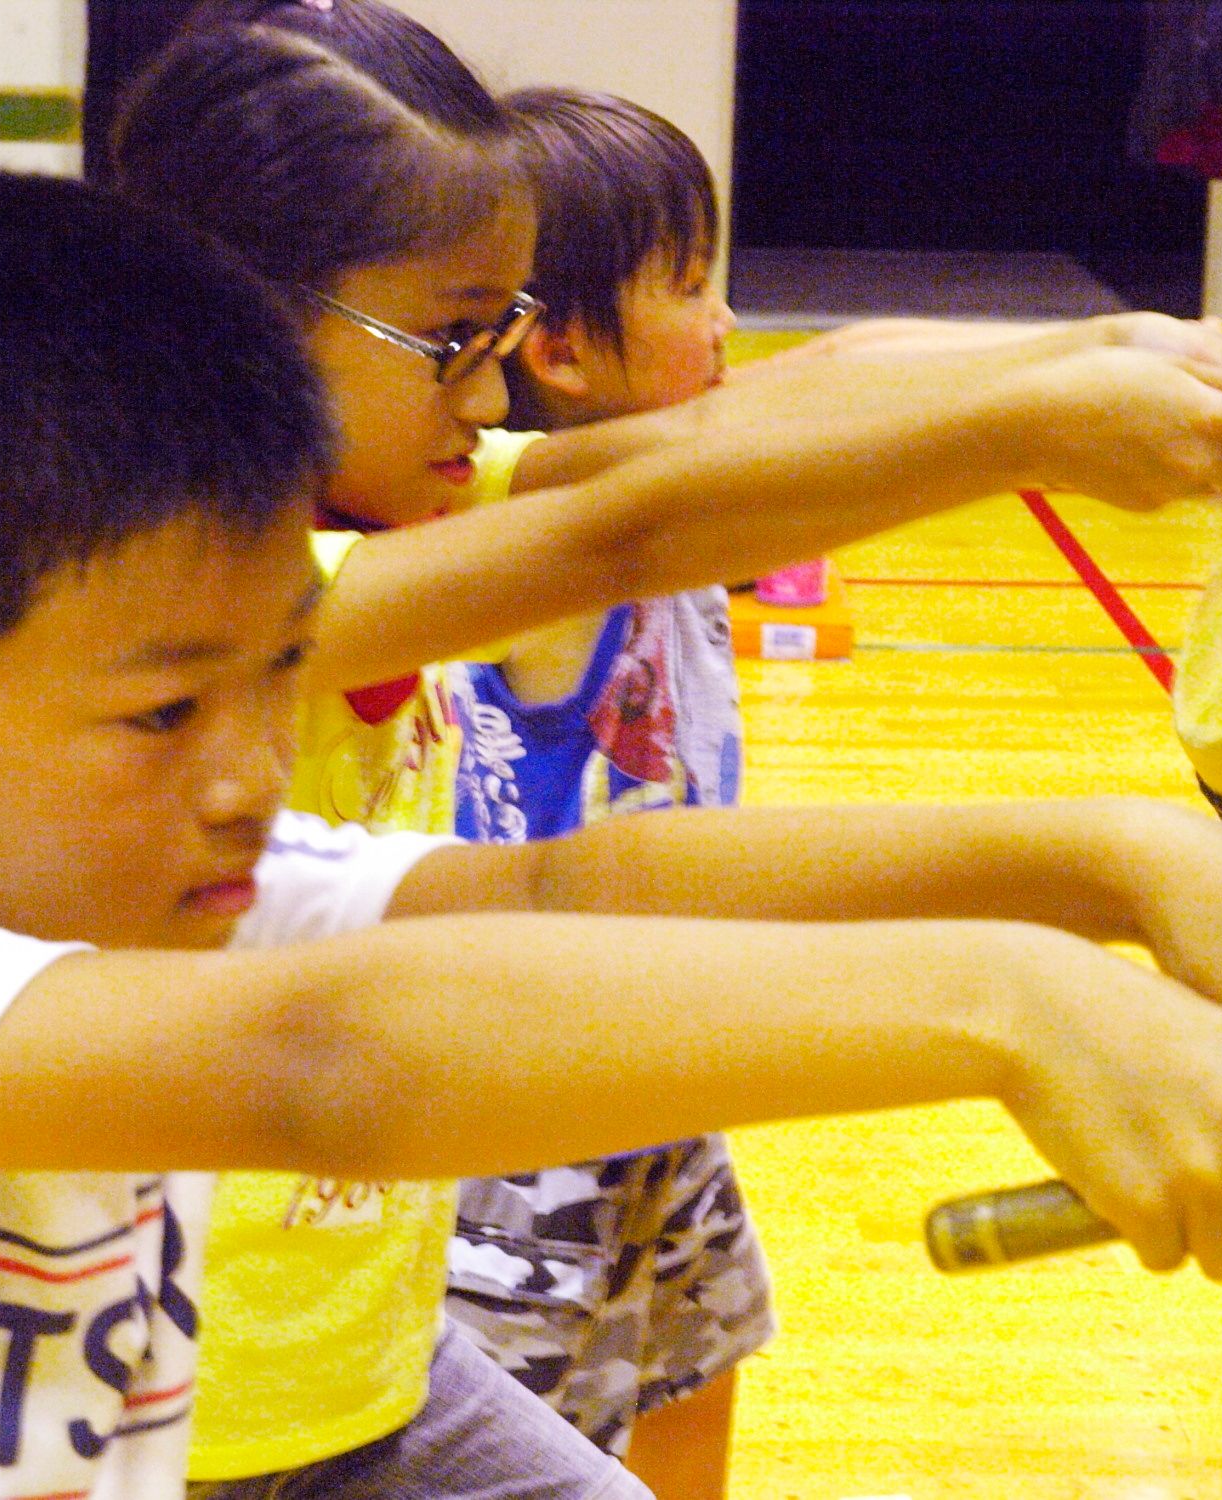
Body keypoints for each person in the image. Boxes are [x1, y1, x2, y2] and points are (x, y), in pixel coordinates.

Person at [0, 168, 1222, 1500]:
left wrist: (1118, 866)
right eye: (166, 712)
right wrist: (1014, 1002)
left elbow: (559, 882)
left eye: (281, 678)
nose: (250, 774)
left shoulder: (147, 882)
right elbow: (332, 1060)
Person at [103, 10, 1222, 1497]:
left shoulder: (392, 501)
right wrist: (1026, 438)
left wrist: (1081, 350)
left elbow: (713, 437)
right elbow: (637, 529)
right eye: (451, 341)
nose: (491, 398)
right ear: (229, 321)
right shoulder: (208, 609)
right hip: (182, 1432)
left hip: (372, 1376)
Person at [445, 85, 766, 1500]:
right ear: (561, 348)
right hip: (520, 1150)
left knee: (694, 1386)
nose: (729, 323)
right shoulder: (543, 542)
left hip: (666, 1089)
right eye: (691, 285)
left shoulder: (688, 528)